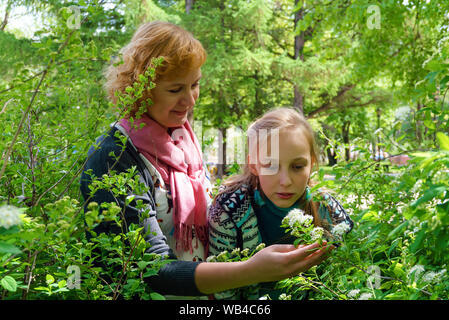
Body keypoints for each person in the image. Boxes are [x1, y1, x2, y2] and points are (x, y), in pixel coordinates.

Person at [80, 21, 333, 299]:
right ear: (142, 87)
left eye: (195, 84)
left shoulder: (183, 141)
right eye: (176, 90)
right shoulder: (113, 158)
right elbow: (148, 270)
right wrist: (252, 270)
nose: (189, 100)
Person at [208, 107, 354, 299]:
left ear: (311, 164)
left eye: (297, 166)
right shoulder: (229, 211)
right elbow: (222, 290)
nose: (285, 181)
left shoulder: (327, 208)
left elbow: (347, 277)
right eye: (271, 166)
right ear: (254, 165)